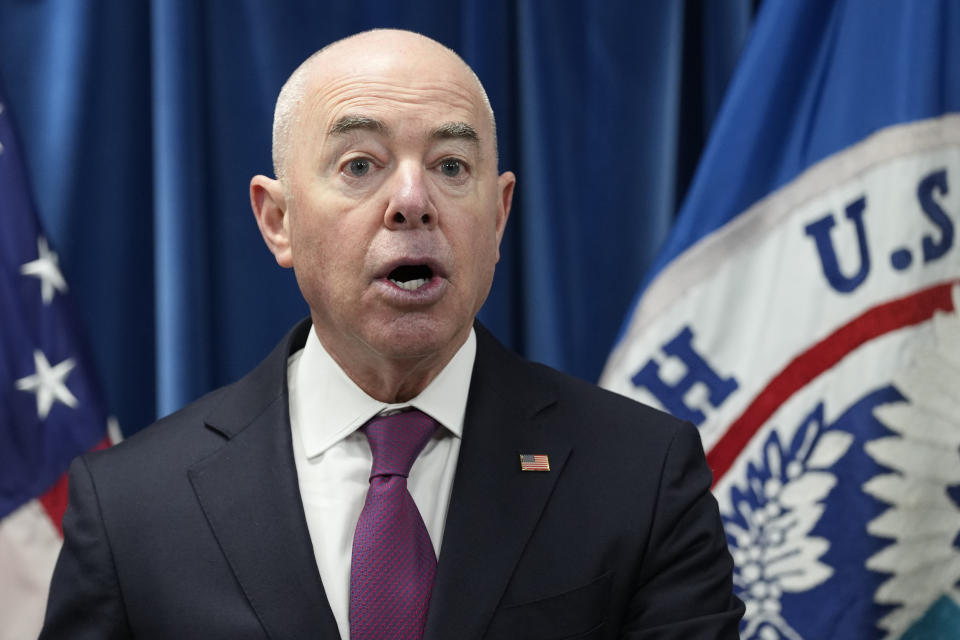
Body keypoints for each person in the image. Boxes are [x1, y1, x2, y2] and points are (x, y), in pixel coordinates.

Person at [40, 29, 743, 639]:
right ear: (277, 220)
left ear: (497, 218)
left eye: (449, 167)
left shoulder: (642, 476)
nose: (412, 202)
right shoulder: (130, 508)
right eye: (360, 166)